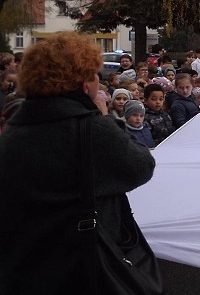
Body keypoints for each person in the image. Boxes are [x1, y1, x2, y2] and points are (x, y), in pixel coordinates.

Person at [0, 32, 156, 293]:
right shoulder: (92, 129)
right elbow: (141, 166)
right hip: (81, 266)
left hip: (22, 267)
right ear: (84, 83)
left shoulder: (14, 131)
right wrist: (105, 118)